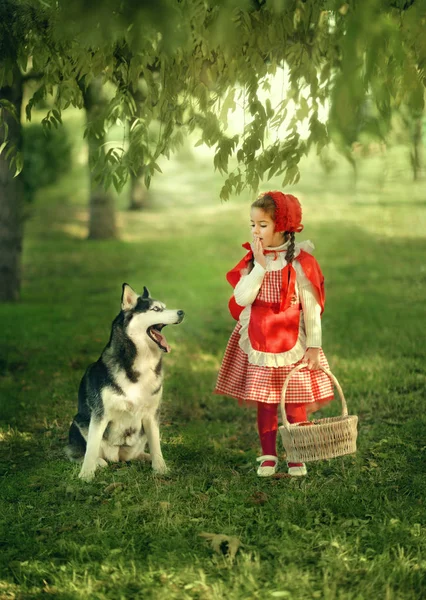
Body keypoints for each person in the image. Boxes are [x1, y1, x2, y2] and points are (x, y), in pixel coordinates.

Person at [214, 191, 334, 477]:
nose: (255, 230)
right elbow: (242, 299)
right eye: (252, 224)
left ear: (282, 227)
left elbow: (311, 307)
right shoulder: (253, 261)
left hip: (293, 342)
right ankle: (268, 454)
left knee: (295, 402)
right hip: (258, 340)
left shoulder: (300, 263)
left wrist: (314, 346)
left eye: (262, 225)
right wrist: (259, 265)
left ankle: (296, 454)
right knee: (266, 402)